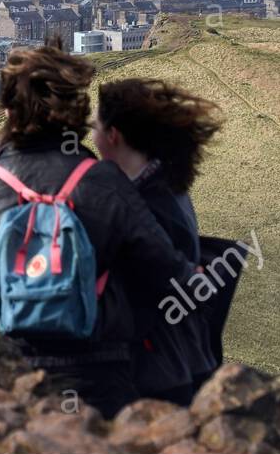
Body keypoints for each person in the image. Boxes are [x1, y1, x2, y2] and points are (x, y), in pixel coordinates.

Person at [0, 38, 196, 418]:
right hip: (100, 384)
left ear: (9, 111)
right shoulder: (105, 183)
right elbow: (170, 277)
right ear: (76, 110)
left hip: (11, 386)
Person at [92, 78, 223, 404]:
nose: (89, 134)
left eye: (93, 126)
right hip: (180, 361)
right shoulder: (161, 184)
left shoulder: (148, 204)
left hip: (158, 373)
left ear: (112, 136)